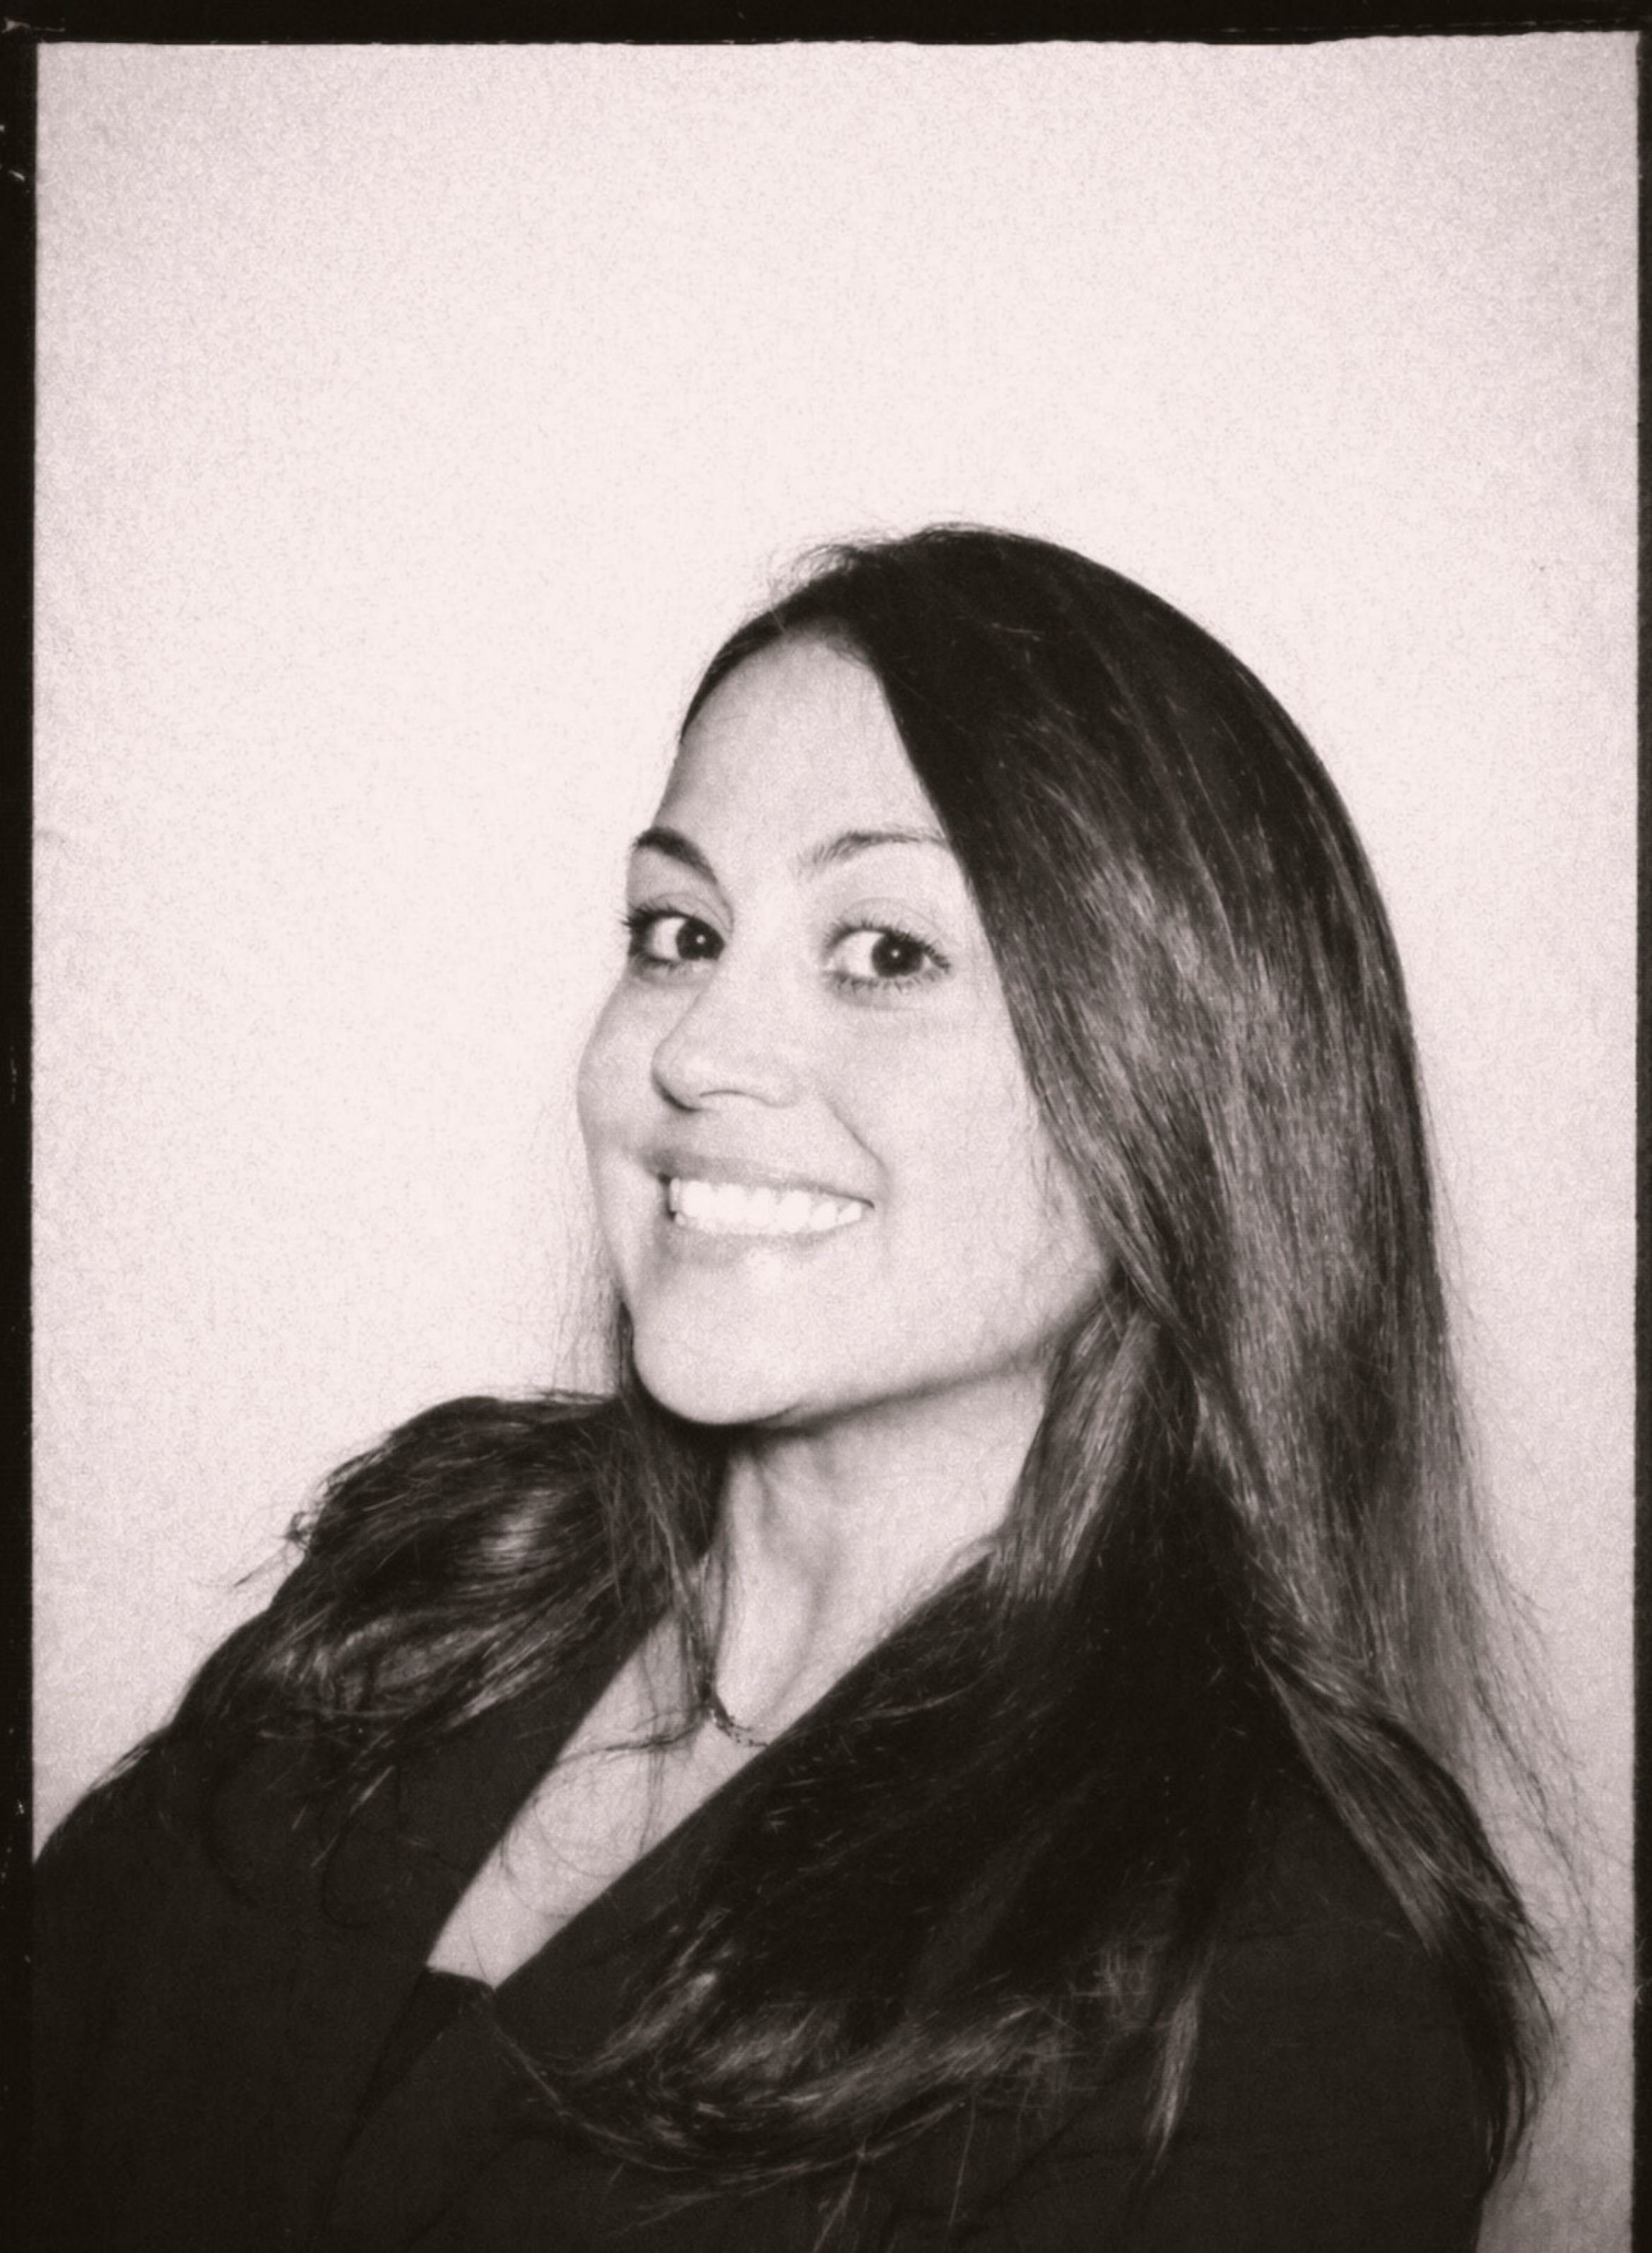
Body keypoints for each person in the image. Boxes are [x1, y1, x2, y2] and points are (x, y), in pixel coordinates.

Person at [35, 527, 1548, 2250]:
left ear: (1180, 1085)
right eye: (676, 929)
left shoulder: (1265, 1986)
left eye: (883, 954)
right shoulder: (433, 1568)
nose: (691, 1048)